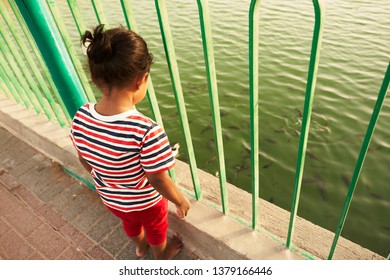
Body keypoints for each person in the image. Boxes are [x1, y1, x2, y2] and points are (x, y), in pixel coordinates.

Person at [69, 24, 191, 260]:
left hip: (111, 197)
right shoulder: (146, 131)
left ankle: (139, 246)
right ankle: (161, 254)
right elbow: (158, 178)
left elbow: (85, 160)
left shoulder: (81, 116)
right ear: (141, 80)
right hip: (146, 203)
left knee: (130, 224)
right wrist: (180, 200)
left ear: (94, 78)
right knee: (156, 229)